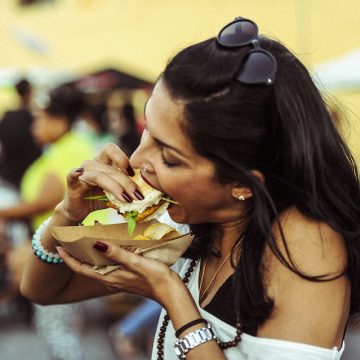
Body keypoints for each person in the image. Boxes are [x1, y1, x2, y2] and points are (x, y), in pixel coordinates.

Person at [20, 17, 360, 360]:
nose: (137, 160)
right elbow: (44, 289)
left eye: (168, 157)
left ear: (242, 183)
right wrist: (68, 212)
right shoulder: (187, 225)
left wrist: (172, 295)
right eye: (147, 130)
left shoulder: (306, 245)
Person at [0, 84, 93, 360]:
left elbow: (47, 201)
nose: (34, 126)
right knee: (57, 324)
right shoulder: (68, 146)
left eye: (41, 119)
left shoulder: (66, 151)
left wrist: (3, 213)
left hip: (62, 248)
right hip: (62, 245)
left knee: (54, 327)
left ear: (59, 120)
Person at [0, 78, 41, 189]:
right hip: (30, 175)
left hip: (7, 175)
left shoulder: (7, 116)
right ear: (30, 92)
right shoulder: (34, 118)